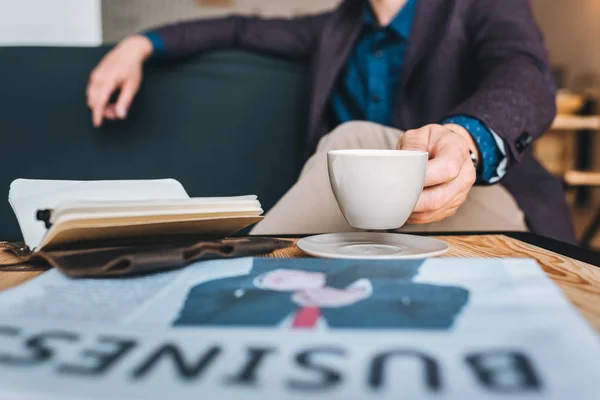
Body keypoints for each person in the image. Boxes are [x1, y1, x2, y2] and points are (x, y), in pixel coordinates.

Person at [87, 0, 575, 243]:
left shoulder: (480, 7)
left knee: (355, 139)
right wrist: (140, 44)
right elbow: (238, 28)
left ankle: (231, 274)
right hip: (369, 230)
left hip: (491, 208)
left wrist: (465, 137)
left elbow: (524, 74)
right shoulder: (334, 29)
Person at [173, 258, 469, 329]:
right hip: (378, 263)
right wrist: (364, 291)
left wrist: (266, 280)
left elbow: (202, 294)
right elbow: (453, 297)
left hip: (285, 260)